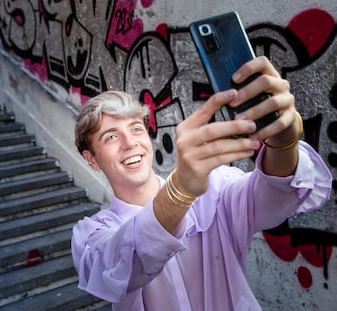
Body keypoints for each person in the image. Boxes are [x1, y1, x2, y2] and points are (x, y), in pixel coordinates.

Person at [71, 56, 332, 311]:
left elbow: (274, 193)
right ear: (91, 159)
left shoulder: (215, 188)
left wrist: (283, 141)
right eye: (111, 136)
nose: (130, 143)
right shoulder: (90, 234)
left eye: (136, 129)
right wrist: (179, 192)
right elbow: (114, 266)